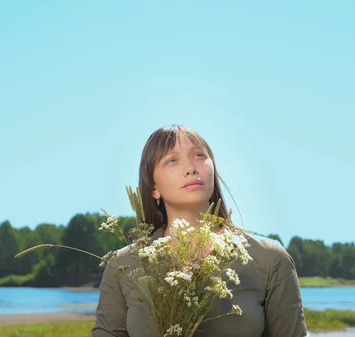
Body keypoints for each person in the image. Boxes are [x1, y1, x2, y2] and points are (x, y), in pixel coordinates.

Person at [92, 124, 309, 337]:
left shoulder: (269, 258)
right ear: (153, 188)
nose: (191, 168)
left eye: (199, 155)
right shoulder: (123, 265)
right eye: (172, 160)